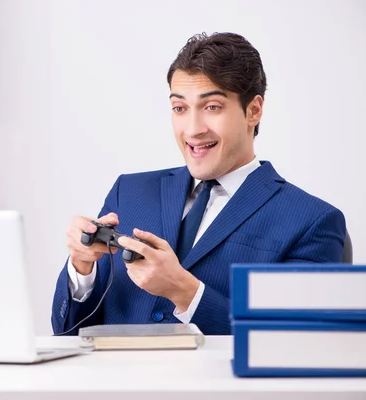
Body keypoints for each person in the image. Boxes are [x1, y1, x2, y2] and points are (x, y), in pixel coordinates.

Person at [51, 32, 346, 336]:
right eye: (180, 108)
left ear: (254, 110)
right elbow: (68, 334)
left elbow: (299, 343)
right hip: (117, 382)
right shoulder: (128, 193)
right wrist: (81, 268)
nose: (192, 129)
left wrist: (186, 293)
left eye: (212, 107)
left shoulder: (312, 220)